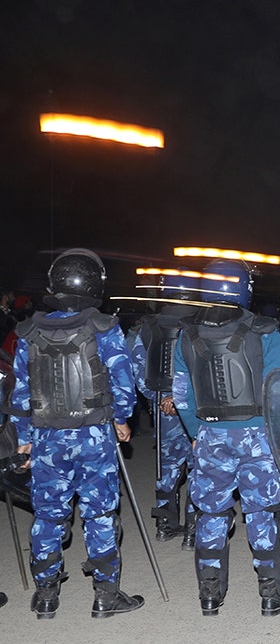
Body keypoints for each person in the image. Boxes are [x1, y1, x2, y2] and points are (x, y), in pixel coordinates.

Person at [11, 249, 143, 618]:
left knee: (48, 516)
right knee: (99, 514)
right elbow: (123, 382)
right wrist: (121, 418)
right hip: (93, 436)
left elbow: (20, 394)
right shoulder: (104, 328)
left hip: (46, 439)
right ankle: (106, 596)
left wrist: (23, 437)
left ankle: (47, 596)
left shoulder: (28, 332)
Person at [174, 259, 280, 617]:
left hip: (210, 435)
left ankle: (210, 593)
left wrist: (196, 433)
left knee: (210, 512)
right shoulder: (265, 331)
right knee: (262, 511)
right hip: (258, 435)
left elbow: (182, 394)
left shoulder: (187, 334)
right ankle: (271, 593)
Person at [130, 273, 202, 547]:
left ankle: (164, 525)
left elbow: (138, 369)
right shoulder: (203, 324)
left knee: (168, 468)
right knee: (199, 468)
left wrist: (158, 398)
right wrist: (185, 399)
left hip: (164, 410)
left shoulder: (148, 327)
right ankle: (194, 530)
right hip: (196, 407)